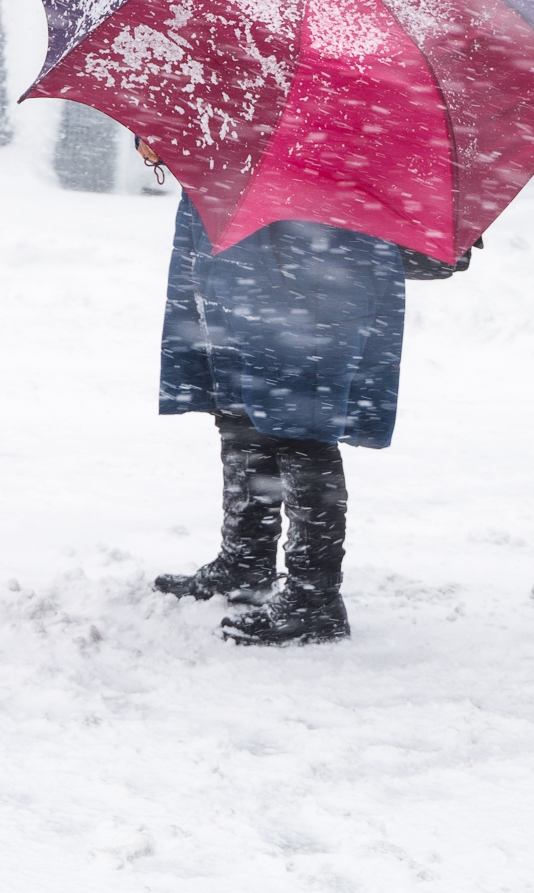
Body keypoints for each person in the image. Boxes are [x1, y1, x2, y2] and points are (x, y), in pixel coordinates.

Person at [145, 143, 407, 648]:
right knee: (240, 404)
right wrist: (178, 140)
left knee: (301, 422)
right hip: (236, 237)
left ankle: (315, 598)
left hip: (312, 249)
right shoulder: (248, 73)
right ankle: (245, 564)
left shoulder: (343, 82)